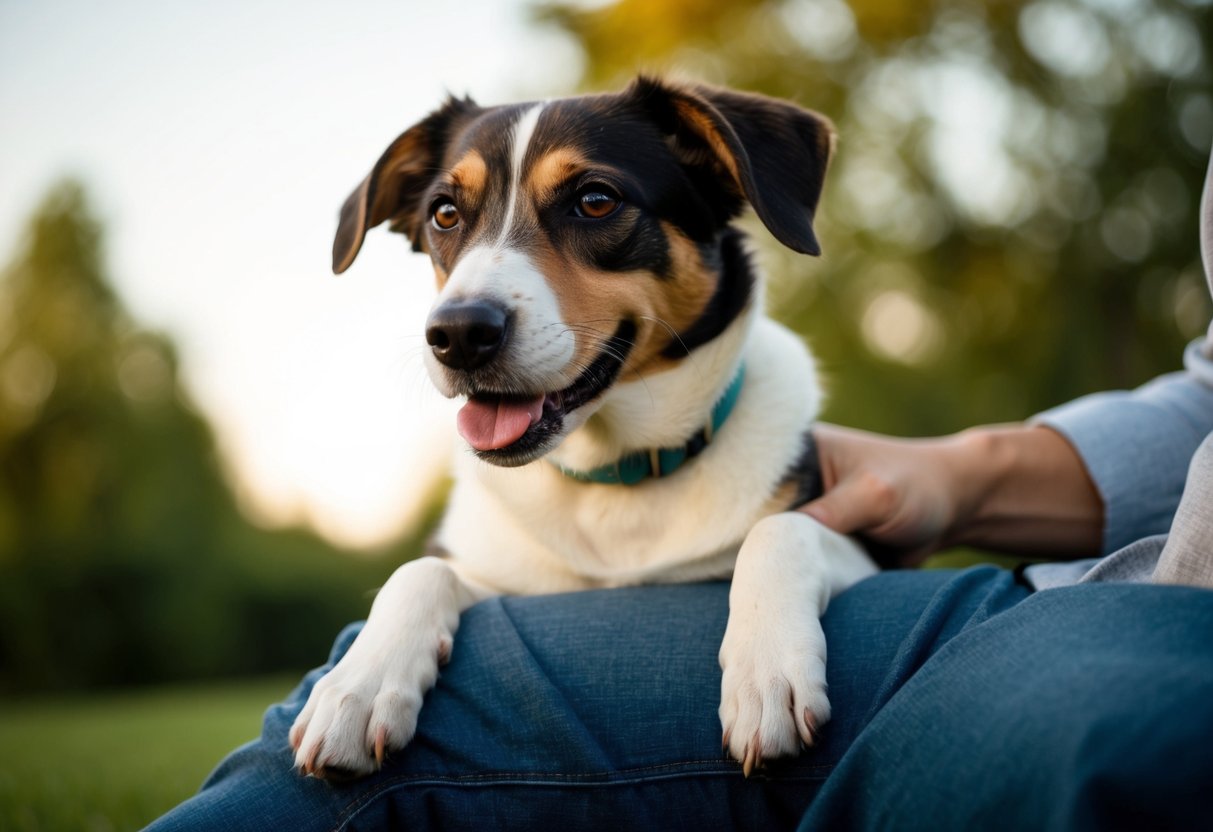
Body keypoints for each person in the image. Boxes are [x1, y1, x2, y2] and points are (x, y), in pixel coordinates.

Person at [146, 157, 1213, 831]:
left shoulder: (765, 428)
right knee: (373, 660)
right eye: (449, 218)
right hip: (1109, 605)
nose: (476, 297)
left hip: (1140, 649)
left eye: (592, 203)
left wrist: (781, 549)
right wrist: (965, 469)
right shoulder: (497, 466)